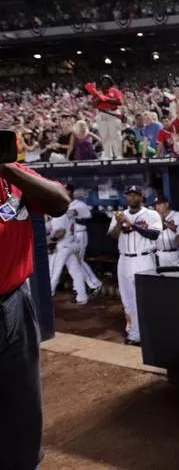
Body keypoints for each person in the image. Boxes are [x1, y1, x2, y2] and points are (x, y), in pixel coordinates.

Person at [0, 158, 70, 470]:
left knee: (24, 395)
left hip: (15, 297)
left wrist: (7, 169)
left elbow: (59, 202)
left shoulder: (12, 175)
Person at [107, 185, 162, 345]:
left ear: (141, 196)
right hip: (124, 260)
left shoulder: (151, 214)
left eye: (135, 195)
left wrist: (132, 225)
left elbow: (154, 235)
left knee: (145, 298)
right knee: (128, 299)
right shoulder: (119, 215)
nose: (132, 198)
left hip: (143, 259)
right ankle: (134, 335)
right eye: (129, 195)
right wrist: (119, 223)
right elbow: (112, 235)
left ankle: (151, 333)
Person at [65, 184, 102, 294]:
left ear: (71, 192)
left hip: (79, 234)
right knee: (72, 262)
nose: (64, 192)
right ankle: (80, 287)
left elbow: (86, 216)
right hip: (69, 236)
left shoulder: (79, 204)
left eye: (66, 190)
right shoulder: (62, 204)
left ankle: (95, 284)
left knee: (78, 261)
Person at [48, 208, 89, 304]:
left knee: (54, 273)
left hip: (63, 246)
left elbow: (61, 232)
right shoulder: (65, 214)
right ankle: (81, 297)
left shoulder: (58, 215)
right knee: (76, 272)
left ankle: (48, 295)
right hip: (72, 244)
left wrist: (49, 240)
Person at [85, 75, 123, 159]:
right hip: (102, 113)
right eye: (103, 81)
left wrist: (106, 99)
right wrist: (98, 98)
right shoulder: (97, 92)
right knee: (105, 135)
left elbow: (119, 102)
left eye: (107, 81)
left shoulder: (114, 91)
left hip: (113, 113)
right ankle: (108, 155)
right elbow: (93, 105)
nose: (104, 82)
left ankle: (118, 155)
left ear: (110, 82)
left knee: (115, 134)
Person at [153, 195, 179, 267]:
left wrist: (164, 222)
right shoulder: (153, 218)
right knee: (163, 277)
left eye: (159, 204)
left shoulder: (178, 215)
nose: (157, 207)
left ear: (167, 204)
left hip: (176, 254)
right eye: (156, 204)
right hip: (161, 254)